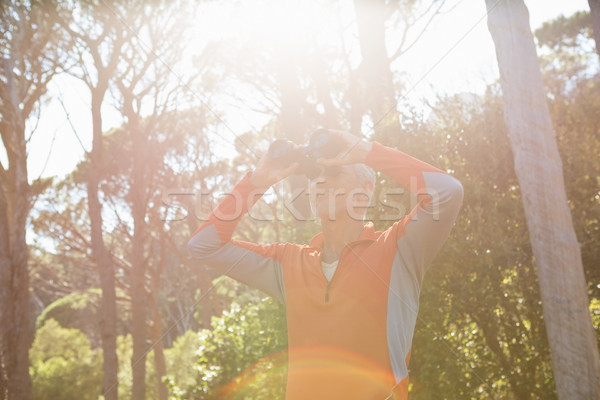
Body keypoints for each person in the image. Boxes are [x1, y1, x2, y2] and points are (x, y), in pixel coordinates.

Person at [188, 130, 464, 400]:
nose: (320, 181)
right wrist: (256, 182)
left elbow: (447, 192)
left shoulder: (397, 250)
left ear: (365, 191)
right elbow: (202, 245)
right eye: (315, 175)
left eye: (333, 173)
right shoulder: (288, 262)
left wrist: (368, 152)